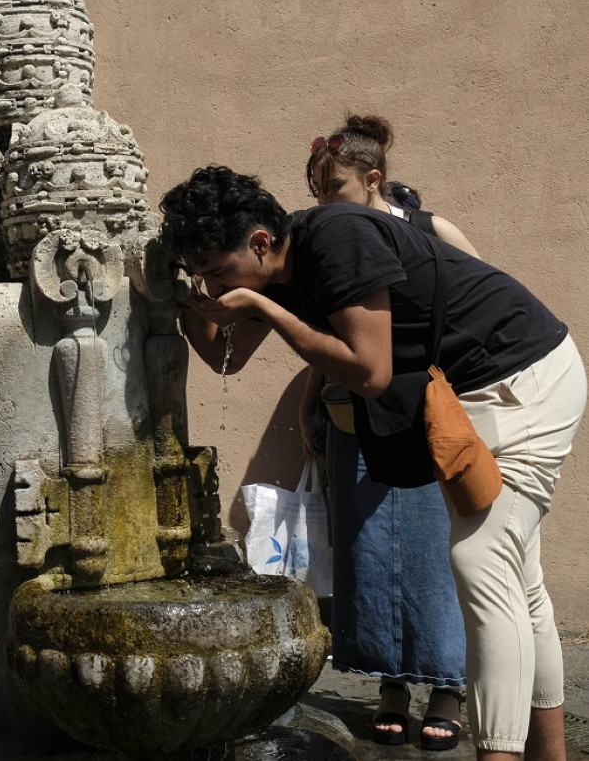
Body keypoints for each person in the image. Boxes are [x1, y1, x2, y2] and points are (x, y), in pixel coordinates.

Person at [161, 165, 584, 760]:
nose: (214, 286)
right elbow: (223, 359)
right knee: (521, 581)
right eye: (202, 276)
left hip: (523, 377)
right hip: (478, 392)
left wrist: (268, 308)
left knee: (480, 560)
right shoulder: (267, 271)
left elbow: (370, 370)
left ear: (258, 240)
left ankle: (500, 751)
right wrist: (178, 302)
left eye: (218, 272)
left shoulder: (337, 237)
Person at [297, 115, 474, 750]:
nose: (322, 205)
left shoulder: (431, 232)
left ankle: (448, 687)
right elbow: (333, 331)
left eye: (334, 189)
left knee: (433, 555)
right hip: (352, 419)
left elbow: (476, 314)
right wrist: (310, 400)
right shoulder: (328, 242)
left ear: (373, 180)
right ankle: (392, 685)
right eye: (317, 192)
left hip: (423, 421)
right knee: (368, 554)